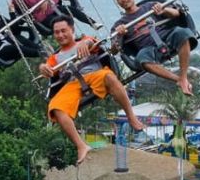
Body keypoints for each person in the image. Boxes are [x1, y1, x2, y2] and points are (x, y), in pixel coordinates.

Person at [39, 16, 144, 164]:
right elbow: (47, 67)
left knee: (110, 77)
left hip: (95, 75)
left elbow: (93, 42)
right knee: (55, 107)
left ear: (72, 30)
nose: (60, 35)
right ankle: (81, 146)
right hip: (73, 84)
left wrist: (86, 42)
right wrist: (43, 68)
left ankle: (131, 117)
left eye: (64, 31)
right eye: (57, 32)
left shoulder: (84, 41)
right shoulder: (55, 58)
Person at [111, 0, 197, 95]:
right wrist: (119, 35)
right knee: (141, 59)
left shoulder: (149, 6)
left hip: (165, 37)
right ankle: (179, 80)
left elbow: (177, 13)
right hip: (148, 49)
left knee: (183, 33)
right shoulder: (119, 24)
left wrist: (164, 10)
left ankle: (183, 76)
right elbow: (114, 50)